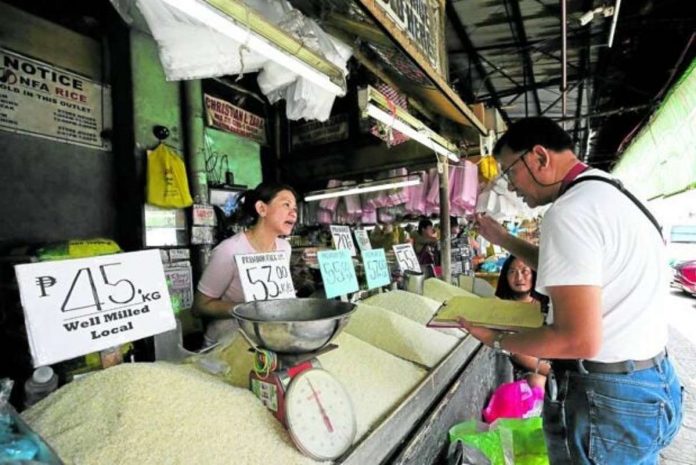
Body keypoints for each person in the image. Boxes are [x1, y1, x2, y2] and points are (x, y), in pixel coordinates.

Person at [459, 117, 682, 464]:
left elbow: (578, 340)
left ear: (539, 158)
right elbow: (576, 271)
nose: (510, 187)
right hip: (653, 382)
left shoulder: (569, 212)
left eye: (508, 172)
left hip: (609, 400)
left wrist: (497, 340)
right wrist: (503, 239)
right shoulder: (612, 192)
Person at [194, 182, 298, 346]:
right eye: (286, 204)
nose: (293, 212)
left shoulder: (285, 248)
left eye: (295, 208)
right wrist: (246, 309)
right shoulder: (229, 250)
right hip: (226, 345)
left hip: (266, 340)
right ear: (262, 209)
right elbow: (200, 307)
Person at [495, 255, 549, 389]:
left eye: (525, 271)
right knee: (536, 381)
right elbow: (514, 352)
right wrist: (550, 371)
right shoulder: (499, 308)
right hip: (524, 366)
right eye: (512, 272)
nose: (519, 278)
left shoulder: (547, 305)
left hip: (550, 360)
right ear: (505, 277)